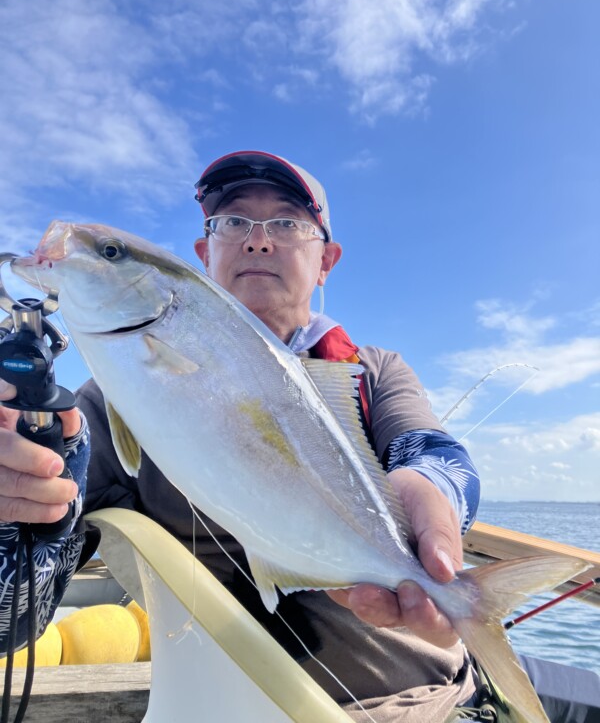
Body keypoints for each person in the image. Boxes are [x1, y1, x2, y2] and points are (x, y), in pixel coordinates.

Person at [0, 150, 499, 720]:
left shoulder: (372, 372)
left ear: (326, 260)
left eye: (287, 223)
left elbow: (434, 452)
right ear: (203, 252)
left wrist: (433, 498)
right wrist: (18, 510)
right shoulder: (105, 403)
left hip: (430, 702)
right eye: (232, 222)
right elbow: (12, 616)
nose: (258, 241)